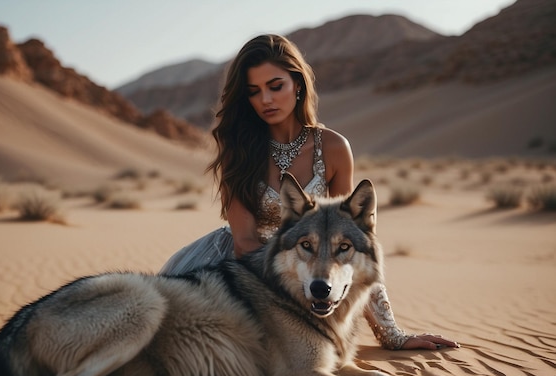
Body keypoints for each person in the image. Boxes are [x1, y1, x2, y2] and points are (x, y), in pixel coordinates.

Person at [160, 34, 459, 351]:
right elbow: (244, 243)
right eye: (254, 92)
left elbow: (352, 245)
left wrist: (391, 335)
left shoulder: (333, 148)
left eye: (276, 86)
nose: (266, 100)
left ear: (298, 84)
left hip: (313, 272)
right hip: (242, 270)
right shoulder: (241, 151)